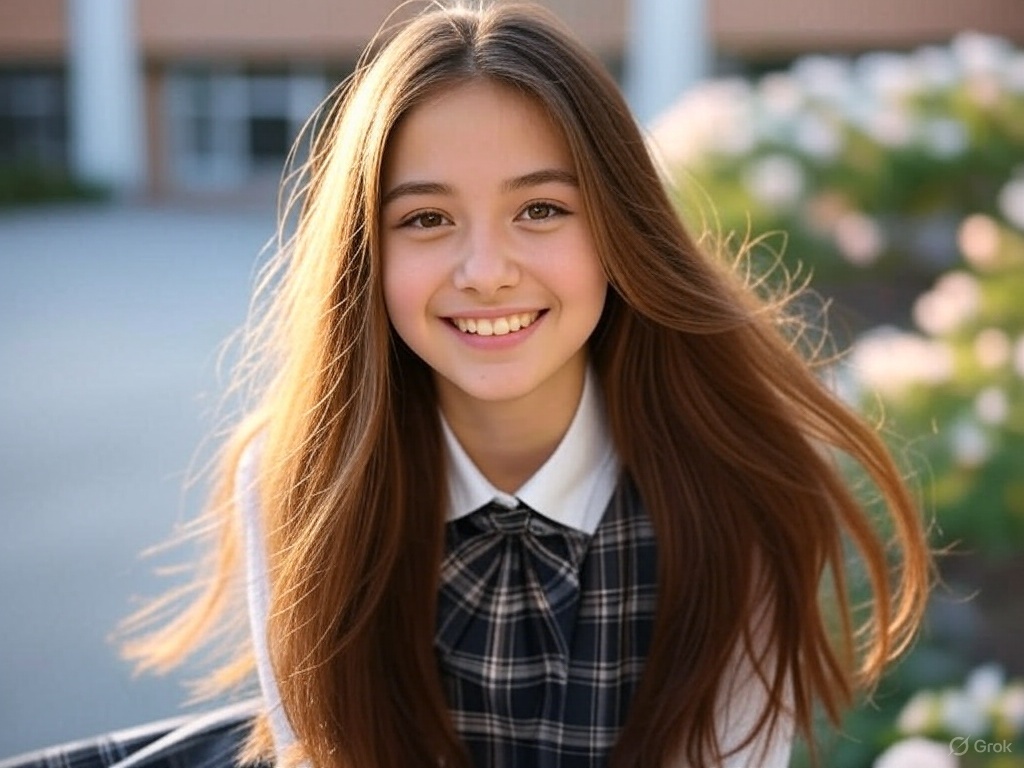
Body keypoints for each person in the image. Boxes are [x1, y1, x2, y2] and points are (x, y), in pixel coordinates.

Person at [119, 3, 932, 767]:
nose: (484, 273)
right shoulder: (302, 471)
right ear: (367, 254)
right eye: (426, 219)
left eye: (541, 210)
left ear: (619, 226)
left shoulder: (733, 482)